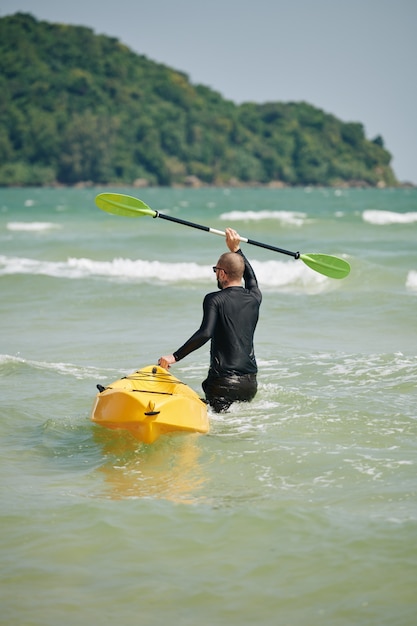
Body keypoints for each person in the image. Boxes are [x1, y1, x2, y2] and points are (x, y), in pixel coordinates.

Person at [158, 228, 262, 412]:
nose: (215, 274)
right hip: (249, 384)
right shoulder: (255, 297)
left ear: (222, 274)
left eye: (216, 270)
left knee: (216, 429)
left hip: (223, 383)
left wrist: (174, 356)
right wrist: (236, 250)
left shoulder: (214, 299)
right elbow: (251, 278)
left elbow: (206, 333)